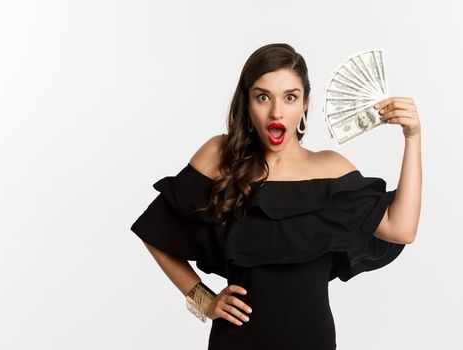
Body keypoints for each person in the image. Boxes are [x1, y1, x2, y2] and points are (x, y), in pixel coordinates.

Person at [131, 43, 422, 349]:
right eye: (263, 97)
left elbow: (401, 228)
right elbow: (155, 231)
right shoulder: (219, 156)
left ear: (305, 103)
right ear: (247, 101)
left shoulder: (331, 168)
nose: (277, 112)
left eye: (290, 97)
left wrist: (413, 137)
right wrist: (204, 301)